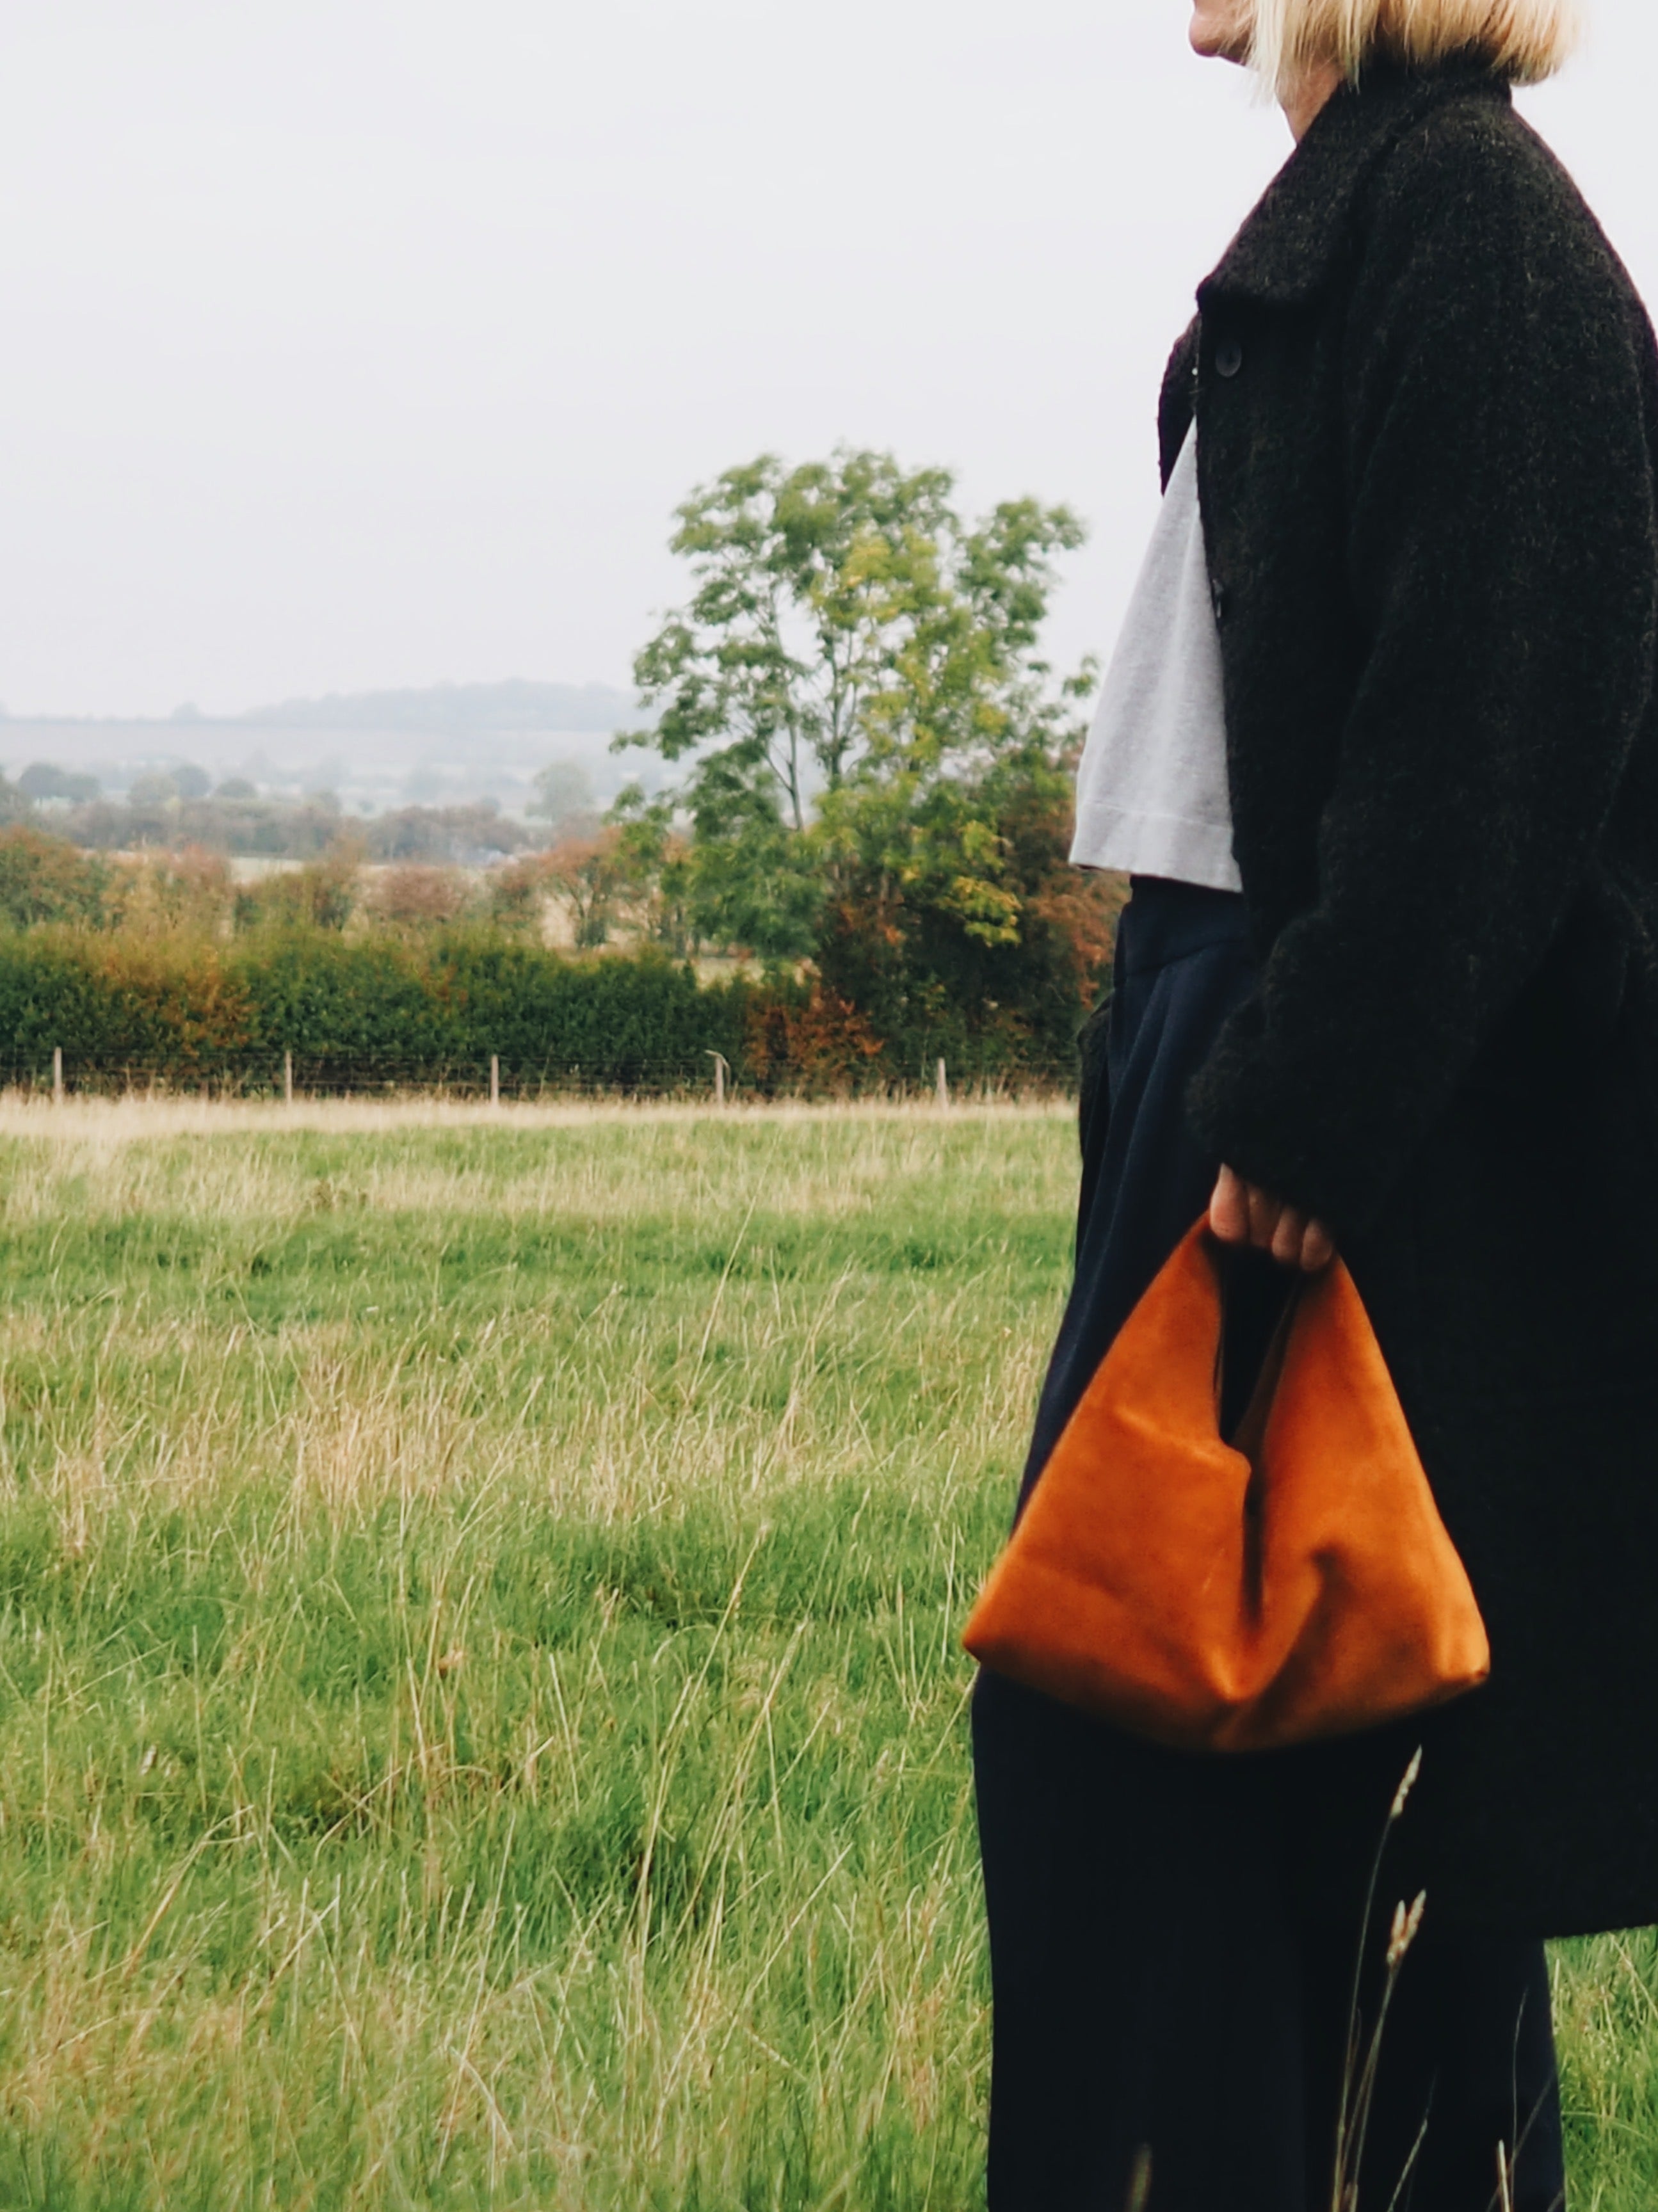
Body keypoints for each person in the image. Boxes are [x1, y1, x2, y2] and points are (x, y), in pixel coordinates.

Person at [970, 1, 1658, 2205]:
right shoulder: (1380, 205)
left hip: (1301, 1076)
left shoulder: (1466, 217)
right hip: (1227, 1033)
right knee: (1293, 1741)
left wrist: (1308, 1108)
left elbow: (1501, 724)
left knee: (1180, 1734)